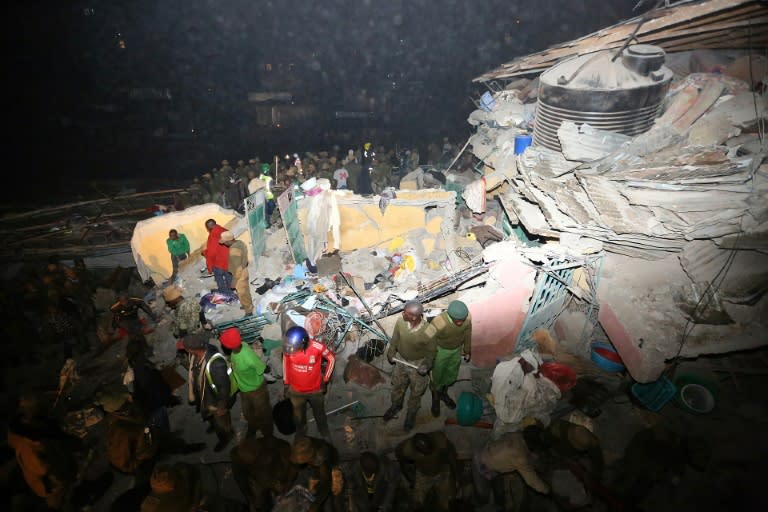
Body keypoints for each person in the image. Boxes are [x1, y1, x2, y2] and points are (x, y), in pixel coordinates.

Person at [383, 300, 436, 431]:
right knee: (397, 384)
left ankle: (411, 412)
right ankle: (396, 405)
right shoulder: (401, 321)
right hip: (401, 359)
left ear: (414, 317)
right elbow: (395, 338)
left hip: (418, 364)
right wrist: (391, 351)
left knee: (416, 392)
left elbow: (431, 353)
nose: (402, 314)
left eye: (405, 312)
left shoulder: (429, 331)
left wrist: (427, 365)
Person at [177, 332, 235, 452]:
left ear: (191, 350)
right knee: (210, 415)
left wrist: (221, 406)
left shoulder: (216, 364)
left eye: (185, 349)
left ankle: (226, 436)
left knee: (221, 422)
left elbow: (224, 387)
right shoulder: (198, 353)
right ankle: (213, 424)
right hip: (205, 394)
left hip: (215, 399)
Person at [473, 431, 550, 511]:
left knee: (498, 493)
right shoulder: (520, 458)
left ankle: (497, 505)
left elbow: (524, 453)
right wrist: (546, 490)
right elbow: (532, 481)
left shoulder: (516, 435)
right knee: (483, 495)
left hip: (485, 451)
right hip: (479, 463)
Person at [282, 326, 336, 440]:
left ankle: (324, 431)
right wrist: (286, 383)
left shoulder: (317, 347)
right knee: (298, 415)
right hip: (295, 390)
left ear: (303, 343)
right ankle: (301, 432)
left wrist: (325, 380)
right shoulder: (288, 349)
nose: (288, 348)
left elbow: (331, 358)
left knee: (320, 414)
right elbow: (285, 363)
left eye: (292, 346)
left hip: (315, 390)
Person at [220, 327, 273, 439]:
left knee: (264, 413)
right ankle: (253, 427)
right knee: (248, 412)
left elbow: (262, 368)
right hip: (244, 388)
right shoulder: (243, 344)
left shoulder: (246, 357)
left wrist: (267, 368)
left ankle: (268, 434)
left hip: (257, 388)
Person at [424, 300, 472, 417]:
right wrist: (430, 356)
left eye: (463, 319)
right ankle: (435, 397)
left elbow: (468, 333)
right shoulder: (439, 321)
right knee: (437, 375)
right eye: (457, 320)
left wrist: (467, 350)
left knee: (451, 372)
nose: (461, 322)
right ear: (450, 316)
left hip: (456, 350)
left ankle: (443, 393)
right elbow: (428, 337)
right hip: (440, 350)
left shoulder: (467, 317)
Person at [395, 431, 460, 512]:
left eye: (431, 448)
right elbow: (401, 460)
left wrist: (456, 477)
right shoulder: (407, 449)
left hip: (442, 471)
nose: (430, 451)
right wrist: (410, 479)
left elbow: (452, 456)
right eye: (427, 451)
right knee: (416, 503)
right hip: (423, 474)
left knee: (449, 501)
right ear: (418, 451)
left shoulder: (440, 439)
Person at [231, 436, 297, 512]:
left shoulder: (270, 443)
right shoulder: (237, 458)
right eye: (247, 461)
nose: (251, 462)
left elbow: (293, 466)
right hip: (259, 482)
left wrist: (286, 485)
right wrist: (251, 500)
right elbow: (241, 479)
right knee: (259, 503)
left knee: (283, 500)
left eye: (253, 459)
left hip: (277, 475)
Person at [289, 436, 342, 512]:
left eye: (301, 459)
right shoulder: (304, 443)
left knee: (333, 496)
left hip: (331, 467)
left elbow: (326, 482)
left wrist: (316, 503)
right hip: (316, 466)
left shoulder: (320, 456)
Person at [218, 230, 254, 317]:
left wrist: (234, 282)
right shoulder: (240, 242)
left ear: (229, 240)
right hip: (245, 270)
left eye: (225, 242)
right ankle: (248, 305)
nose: (224, 244)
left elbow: (238, 269)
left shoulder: (233, 250)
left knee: (242, 293)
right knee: (246, 290)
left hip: (240, 273)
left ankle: (248, 311)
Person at [203, 218, 232, 293]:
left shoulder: (212, 236)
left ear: (208, 228)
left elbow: (212, 253)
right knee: (229, 275)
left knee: (219, 277)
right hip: (229, 259)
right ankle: (231, 289)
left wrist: (205, 253)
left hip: (220, 262)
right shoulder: (224, 230)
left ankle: (224, 292)